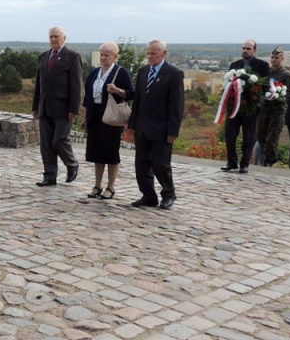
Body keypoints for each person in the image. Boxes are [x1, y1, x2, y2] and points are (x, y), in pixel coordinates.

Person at [128, 39, 184, 210]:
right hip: (142, 127)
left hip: (162, 128)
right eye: (148, 53)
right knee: (141, 164)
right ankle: (148, 195)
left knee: (160, 163)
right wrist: (131, 125)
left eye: (153, 53)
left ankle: (168, 193)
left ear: (164, 53)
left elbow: (177, 105)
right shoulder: (143, 71)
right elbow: (137, 100)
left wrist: (172, 131)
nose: (150, 56)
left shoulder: (174, 74)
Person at [81, 41, 134, 200]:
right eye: (102, 54)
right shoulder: (94, 72)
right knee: (96, 153)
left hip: (111, 117)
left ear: (115, 57)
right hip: (95, 116)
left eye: (107, 55)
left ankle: (111, 187)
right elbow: (87, 97)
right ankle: (97, 185)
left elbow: (131, 94)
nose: (103, 58)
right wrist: (85, 117)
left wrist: (117, 90)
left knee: (110, 153)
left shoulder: (121, 72)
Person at [31, 26, 83, 186]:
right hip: (45, 107)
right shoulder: (43, 57)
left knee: (59, 140)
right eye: (51, 37)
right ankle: (49, 175)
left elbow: (76, 85)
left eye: (57, 36)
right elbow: (39, 84)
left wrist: (74, 109)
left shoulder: (72, 57)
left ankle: (72, 164)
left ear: (64, 38)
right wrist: (35, 106)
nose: (53, 39)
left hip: (63, 108)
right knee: (46, 144)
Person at [221, 40, 270, 173]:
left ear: (255, 50)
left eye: (248, 48)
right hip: (234, 107)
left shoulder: (262, 65)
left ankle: (244, 163)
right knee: (230, 134)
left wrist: (254, 93)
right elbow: (228, 83)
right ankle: (232, 162)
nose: (245, 51)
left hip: (251, 108)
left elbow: (265, 86)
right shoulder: (234, 65)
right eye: (243, 48)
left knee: (249, 136)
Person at [255, 46, 290, 167]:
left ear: (282, 59)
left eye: (276, 57)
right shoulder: (266, 72)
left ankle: (269, 160)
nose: (274, 59)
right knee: (260, 134)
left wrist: (279, 96)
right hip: (264, 109)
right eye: (272, 57)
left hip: (277, 110)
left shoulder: (286, 74)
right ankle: (263, 157)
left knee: (272, 136)